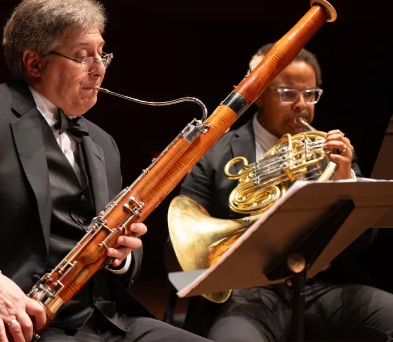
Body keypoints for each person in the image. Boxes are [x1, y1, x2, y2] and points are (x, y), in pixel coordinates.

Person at [0, 0, 212, 342]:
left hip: (107, 320)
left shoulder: (104, 143)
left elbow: (114, 247)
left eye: (103, 54)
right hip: (15, 324)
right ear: (34, 62)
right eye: (83, 55)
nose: (99, 69)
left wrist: (121, 258)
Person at [166, 43, 393, 341]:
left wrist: (345, 179)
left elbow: (365, 241)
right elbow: (176, 248)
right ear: (259, 95)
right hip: (246, 296)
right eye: (288, 94)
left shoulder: (331, 152)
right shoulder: (213, 153)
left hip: (322, 286)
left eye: (311, 94)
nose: (302, 105)